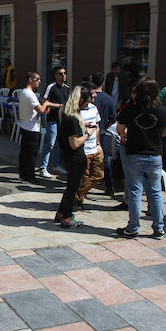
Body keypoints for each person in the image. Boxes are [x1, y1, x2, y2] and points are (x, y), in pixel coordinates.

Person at [114, 78, 166, 239]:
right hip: (155, 155)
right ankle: (159, 228)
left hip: (135, 155)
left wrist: (128, 136)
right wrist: (152, 136)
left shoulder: (130, 110)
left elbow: (120, 129)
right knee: (154, 193)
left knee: (135, 193)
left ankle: (133, 227)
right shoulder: (165, 111)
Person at [55, 86, 95, 228]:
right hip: (75, 158)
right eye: (86, 103)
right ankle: (66, 218)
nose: (87, 106)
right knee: (72, 189)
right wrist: (88, 133)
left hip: (69, 157)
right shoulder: (72, 118)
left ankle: (61, 213)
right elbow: (75, 143)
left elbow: (71, 132)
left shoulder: (67, 113)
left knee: (70, 188)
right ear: (80, 100)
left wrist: (83, 126)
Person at [17, 71, 52, 185]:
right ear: (30, 80)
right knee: (31, 154)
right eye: (37, 79)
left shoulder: (24, 92)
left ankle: (23, 175)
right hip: (31, 128)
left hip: (25, 126)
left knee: (25, 153)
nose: (39, 82)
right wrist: (46, 104)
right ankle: (29, 177)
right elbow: (41, 110)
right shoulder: (30, 94)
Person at [73, 82, 103, 208]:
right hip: (83, 150)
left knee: (99, 175)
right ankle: (78, 202)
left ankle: (76, 195)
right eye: (93, 94)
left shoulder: (93, 108)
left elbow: (98, 127)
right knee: (85, 178)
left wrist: (98, 143)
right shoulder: (75, 112)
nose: (95, 96)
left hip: (95, 148)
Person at [39, 66, 71, 177]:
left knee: (59, 144)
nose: (63, 75)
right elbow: (44, 102)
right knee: (50, 144)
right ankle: (43, 167)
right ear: (56, 75)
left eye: (64, 73)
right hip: (52, 119)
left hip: (62, 121)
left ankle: (56, 165)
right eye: (61, 73)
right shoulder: (51, 87)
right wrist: (57, 105)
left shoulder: (67, 88)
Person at [89, 73, 118, 196]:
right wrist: (105, 127)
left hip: (89, 133)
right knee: (105, 161)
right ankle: (109, 186)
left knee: (88, 162)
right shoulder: (109, 99)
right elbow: (113, 118)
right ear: (103, 83)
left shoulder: (89, 98)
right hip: (103, 133)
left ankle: (85, 187)